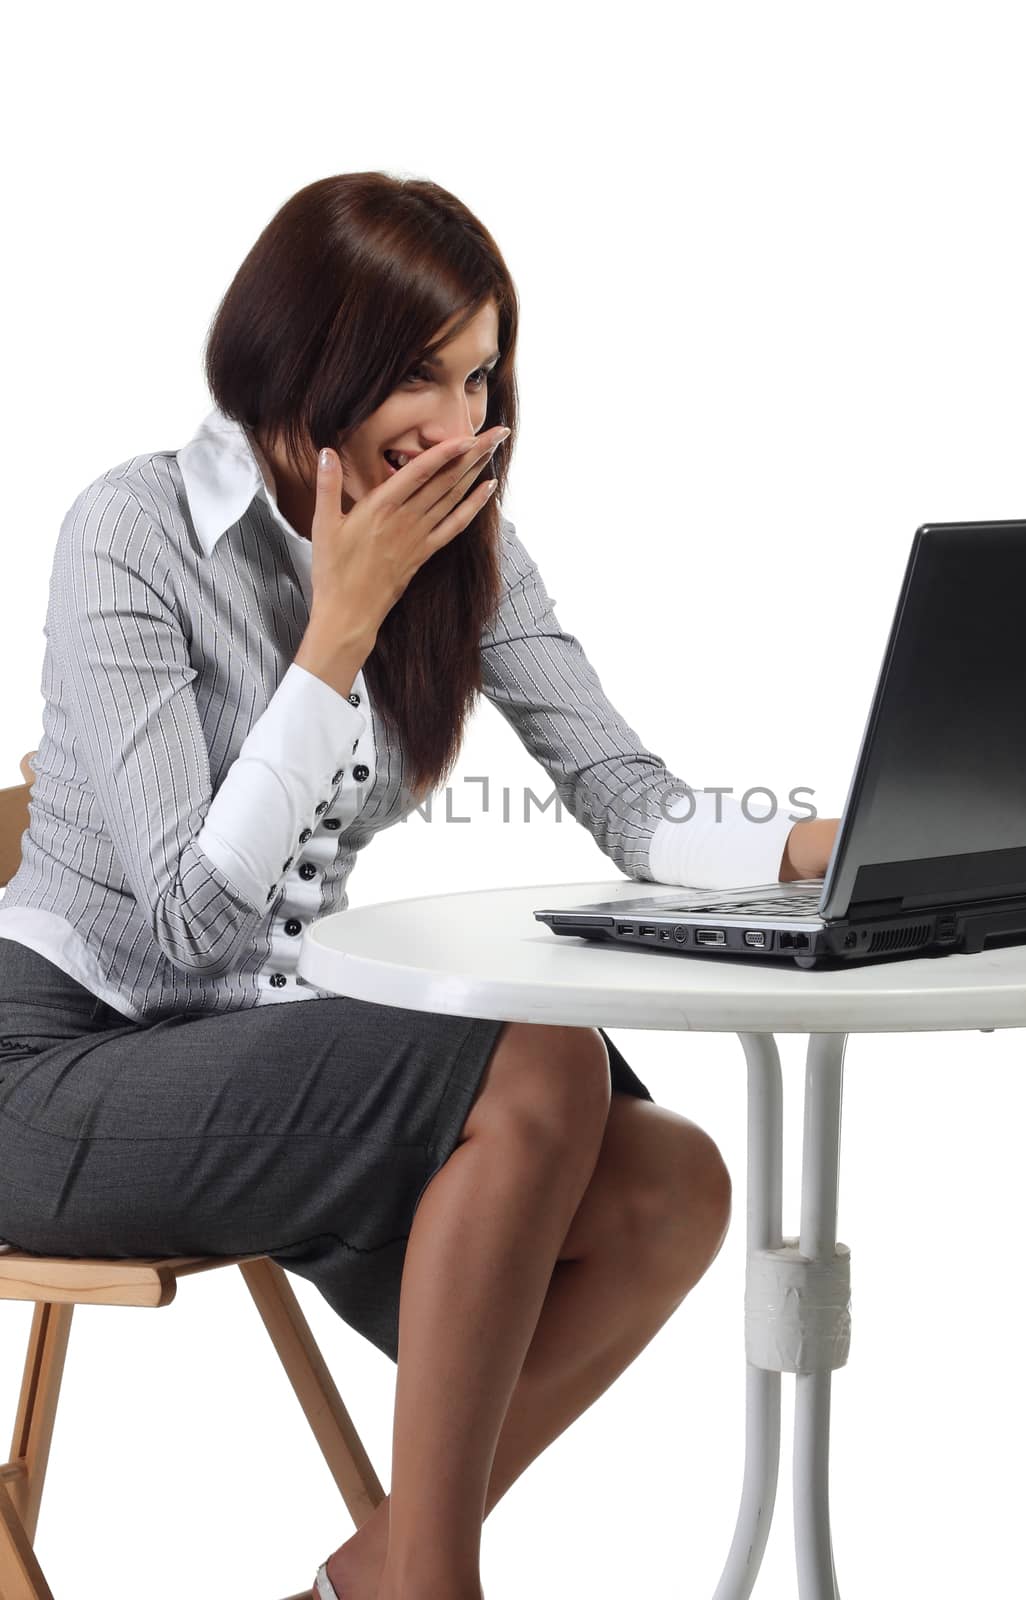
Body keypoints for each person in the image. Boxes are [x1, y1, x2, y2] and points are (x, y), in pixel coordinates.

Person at [0, 171, 839, 1600]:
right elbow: (191, 916)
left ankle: (373, 1580)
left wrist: (835, 842)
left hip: (240, 1074)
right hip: (47, 1076)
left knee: (667, 1185)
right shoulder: (129, 531)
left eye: (477, 373)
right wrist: (337, 632)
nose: (457, 424)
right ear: (307, 357)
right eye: (415, 376)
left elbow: (628, 804)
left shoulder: (462, 540)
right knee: (534, 1052)